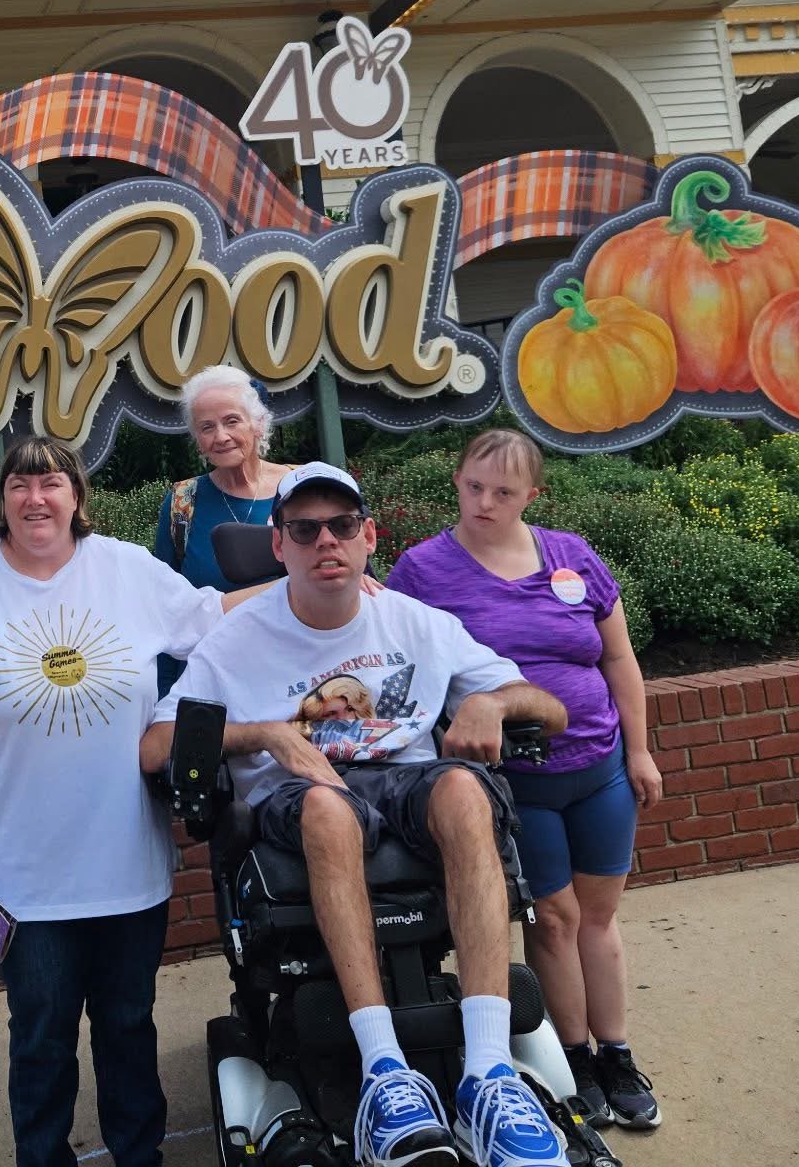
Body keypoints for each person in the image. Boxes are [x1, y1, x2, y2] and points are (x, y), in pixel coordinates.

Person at [142, 462, 571, 1167]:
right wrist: (265, 735)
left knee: (465, 788)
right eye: (305, 530)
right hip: (301, 796)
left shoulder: (416, 622)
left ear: (369, 535)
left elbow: (547, 708)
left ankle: (489, 1074)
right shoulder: (237, 638)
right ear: (278, 545)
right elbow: (157, 746)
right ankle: (384, 1074)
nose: (326, 542)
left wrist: (491, 703)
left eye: (342, 526)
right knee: (325, 807)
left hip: (408, 787)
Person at [0, 434, 263, 1167]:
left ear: (78, 498)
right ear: (1, 501)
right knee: (40, 1035)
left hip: (124, 863)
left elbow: (212, 619)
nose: (35, 498)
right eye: (20, 485)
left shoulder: (124, 570)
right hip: (22, 873)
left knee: (128, 1026)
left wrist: (311, 580)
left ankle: (140, 1156)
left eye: (52, 484)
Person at [385, 430, 662, 1133]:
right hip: (515, 787)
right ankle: (572, 1056)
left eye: (504, 493)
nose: (485, 502)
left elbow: (619, 658)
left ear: (533, 496)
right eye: (473, 486)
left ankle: (617, 1053)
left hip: (599, 769)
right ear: (456, 482)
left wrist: (640, 752)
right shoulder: (421, 571)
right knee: (551, 919)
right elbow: (395, 661)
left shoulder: (571, 556)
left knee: (598, 919)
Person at [152, 364, 297, 592]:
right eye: (207, 427)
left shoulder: (301, 485)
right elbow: (164, 593)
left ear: (258, 424)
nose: (221, 437)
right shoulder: (182, 503)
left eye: (232, 421)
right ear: (198, 440)